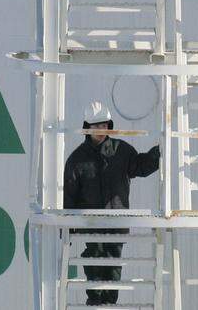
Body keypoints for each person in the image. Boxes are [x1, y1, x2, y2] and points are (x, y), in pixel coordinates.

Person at [63, 101, 160, 305]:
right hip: (91, 224)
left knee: (113, 264)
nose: (101, 129)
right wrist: (67, 227)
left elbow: (140, 167)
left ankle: (108, 304)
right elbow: (70, 194)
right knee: (94, 258)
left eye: (104, 125)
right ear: (87, 127)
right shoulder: (76, 159)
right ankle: (96, 302)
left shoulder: (122, 150)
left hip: (116, 222)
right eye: (96, 125)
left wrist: (159, 153)